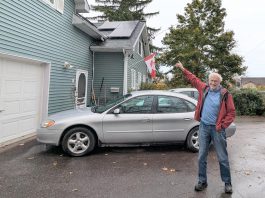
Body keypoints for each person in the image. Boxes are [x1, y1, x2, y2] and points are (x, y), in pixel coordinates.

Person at [175, 61, 235, 194]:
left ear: (220, 82)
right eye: (211, 80)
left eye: (216, 81)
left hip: (217, 130)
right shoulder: (204, 89)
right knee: (201, 156)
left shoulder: (225, 94)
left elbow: (231, 112)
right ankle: (202, 181)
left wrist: (222, 125)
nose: (213, 83)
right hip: (204, 127)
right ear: (208, 81)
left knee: (222, 157)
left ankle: (227, 183)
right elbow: (193, 78)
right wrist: (182, 68)